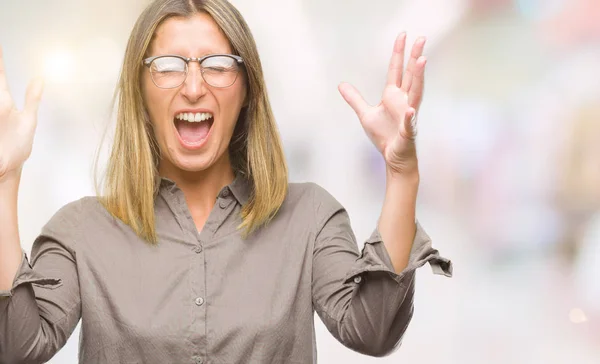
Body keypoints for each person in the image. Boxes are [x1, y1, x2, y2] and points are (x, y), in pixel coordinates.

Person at [0, 0, 452, 363]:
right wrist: (4, 178)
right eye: (169, 65)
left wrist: (401, 173)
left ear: (246, 88)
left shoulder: (310, 217)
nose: (194, 86)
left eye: (217, 64)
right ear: (139, 89)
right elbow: (16, 348)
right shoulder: (81, 230)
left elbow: (372, 332)